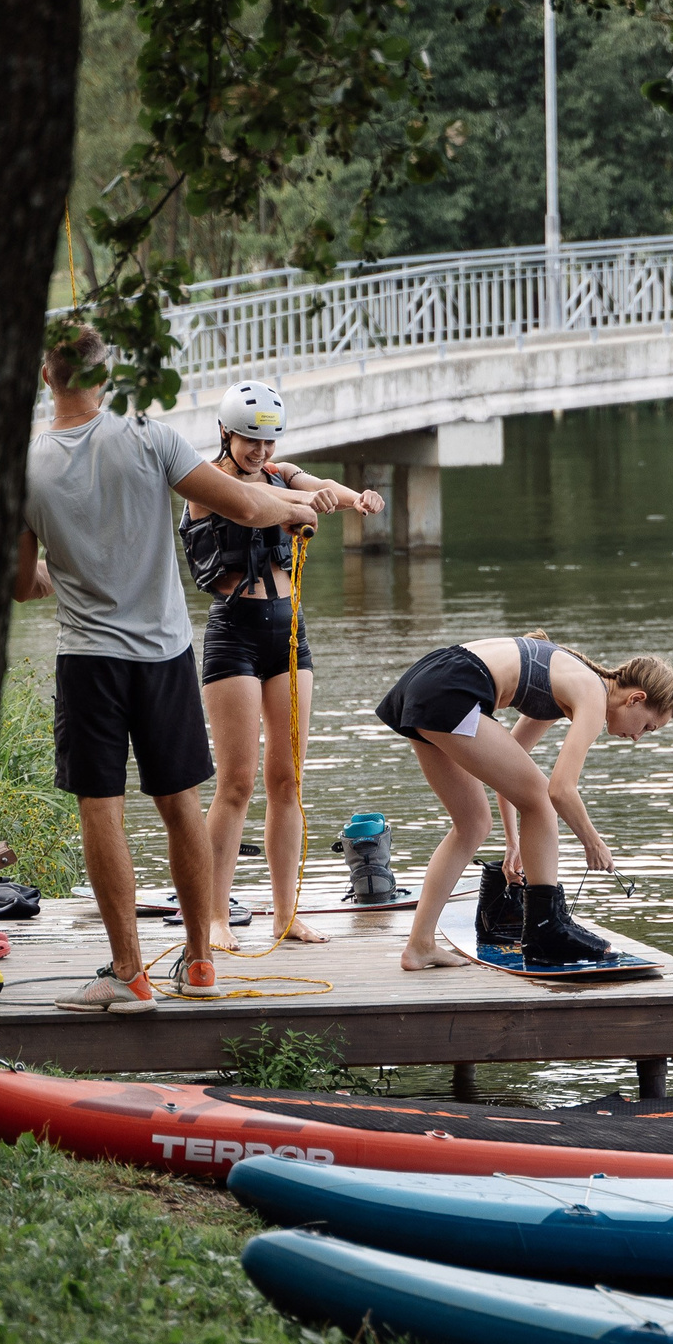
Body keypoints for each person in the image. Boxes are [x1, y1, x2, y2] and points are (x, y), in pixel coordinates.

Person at [16, 328, 345, 1013]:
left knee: (100, 808)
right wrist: (301, 504)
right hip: (164, 654)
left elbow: (21, 583)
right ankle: (200, 964)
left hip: (88, 660)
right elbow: (245, 503)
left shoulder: (26, 468)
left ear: (46, 377)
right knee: (181, 805)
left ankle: (129, 974)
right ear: (107, 376)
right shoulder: (150, 436)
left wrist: (59, 574)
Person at [182, 380, 379, 950]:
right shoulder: (206, 483)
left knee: (288, 781)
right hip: (235, 635)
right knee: (237, 783)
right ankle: (216, 918)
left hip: (289, 633)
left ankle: (285, 915)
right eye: (251, 441)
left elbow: (319, 487)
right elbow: (252, 509)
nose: (261, 453)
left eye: (269, 443)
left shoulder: (281, 473)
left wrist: (355, 499)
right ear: (225, 433)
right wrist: (300, 507)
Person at [375, 631, 673, 971]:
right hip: (451, 687)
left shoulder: (567, 684)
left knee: (473, 824)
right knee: (541, 799)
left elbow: (510, 768)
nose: (637, 737)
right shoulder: (593, 694)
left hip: (426, 680)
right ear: (636, 699)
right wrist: (593, 842)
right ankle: (546, 931)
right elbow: (560, 790)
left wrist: (513, 842)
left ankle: (419, 945)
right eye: (648, 726)